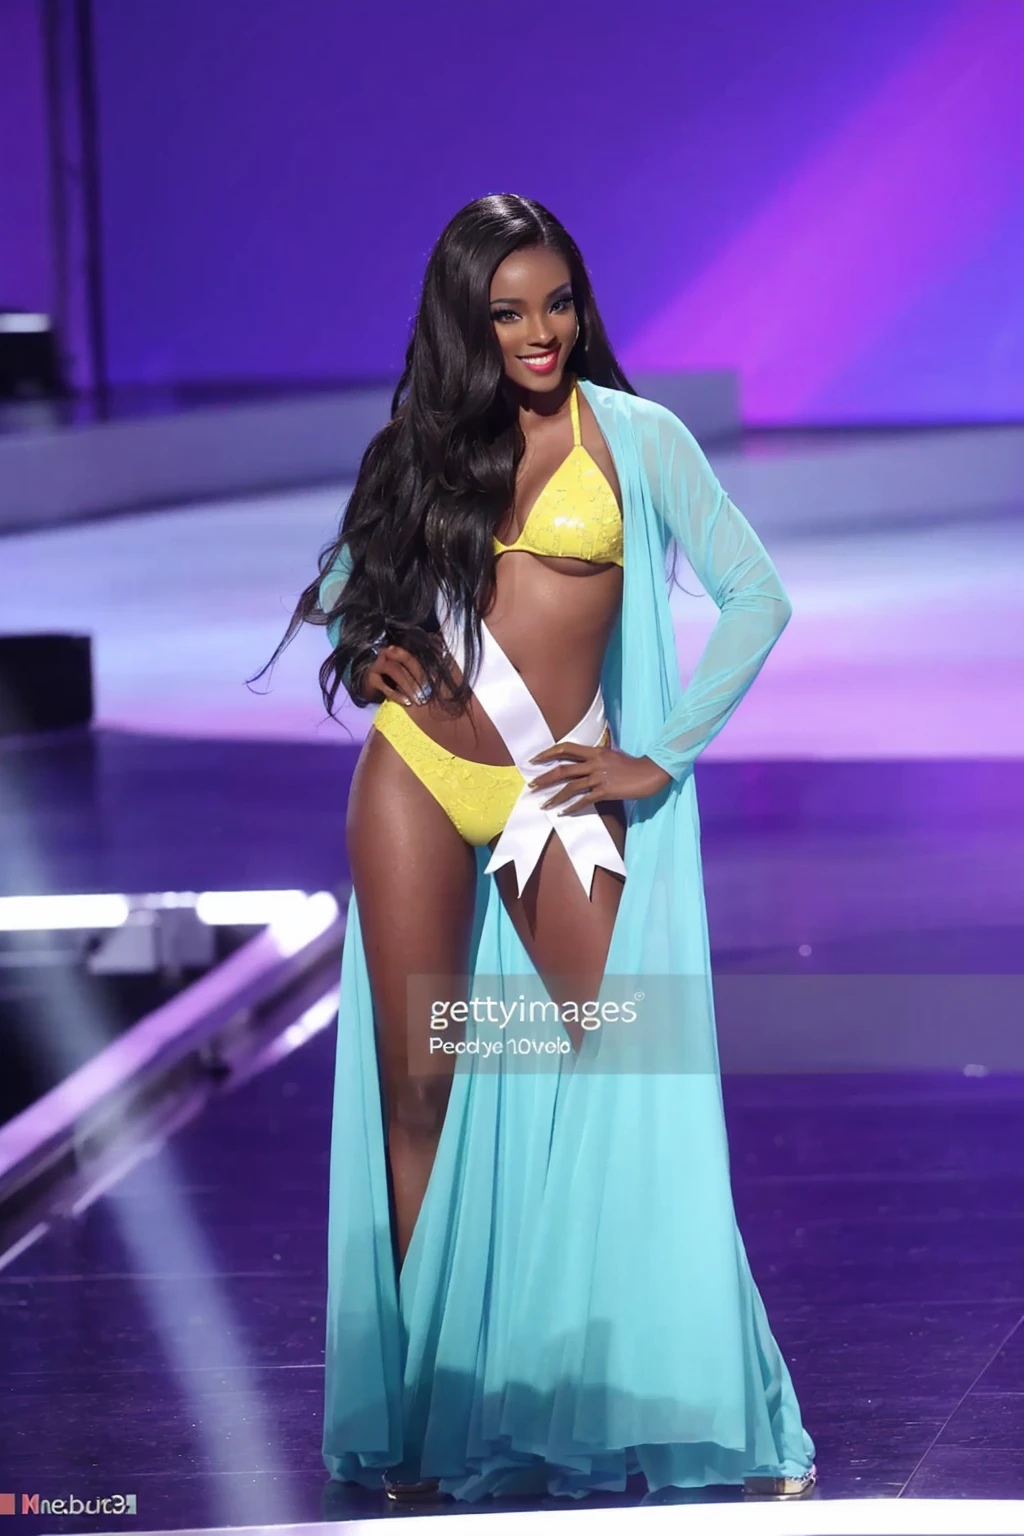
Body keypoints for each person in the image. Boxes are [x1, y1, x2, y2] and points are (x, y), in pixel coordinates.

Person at [268, 193, 816, 1504]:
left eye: (557, 302)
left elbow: (758, 596)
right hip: (420, 773)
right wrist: (372, 652)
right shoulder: (419, 443)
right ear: (466, 319)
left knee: (634, 1076)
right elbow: (345, 589)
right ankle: (418, 1426)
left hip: (557, 788)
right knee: (427, 1084)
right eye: (509, 310)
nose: (540, 331)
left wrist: (662, 752)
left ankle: (723, 1406)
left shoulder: (635, 438)